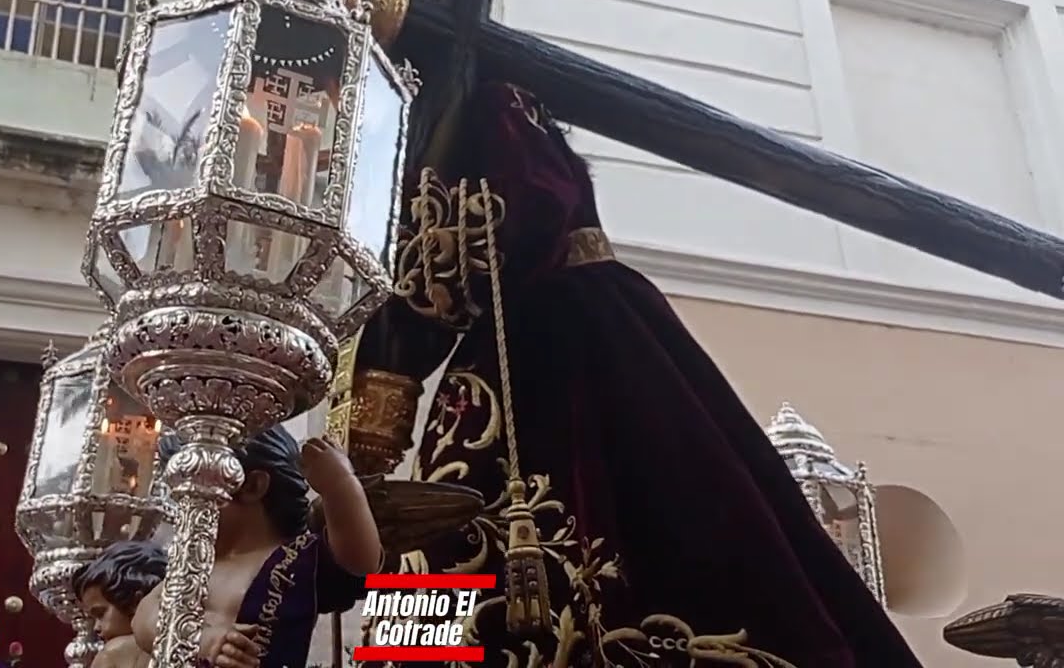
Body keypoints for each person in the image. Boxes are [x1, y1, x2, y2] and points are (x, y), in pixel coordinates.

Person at [355, 82, 924, 667]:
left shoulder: (481, 109)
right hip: (578, 333)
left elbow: (497, 231)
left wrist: (381, 391)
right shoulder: (510, 110)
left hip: (546, 348)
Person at [134, 426, 381, 668]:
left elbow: (360, 562)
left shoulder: (296, 559)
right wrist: (201, 639)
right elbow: (144, 617)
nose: (182, 508)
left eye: (197, 491)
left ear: (253, 486)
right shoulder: (195, 562)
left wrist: (340, 485)